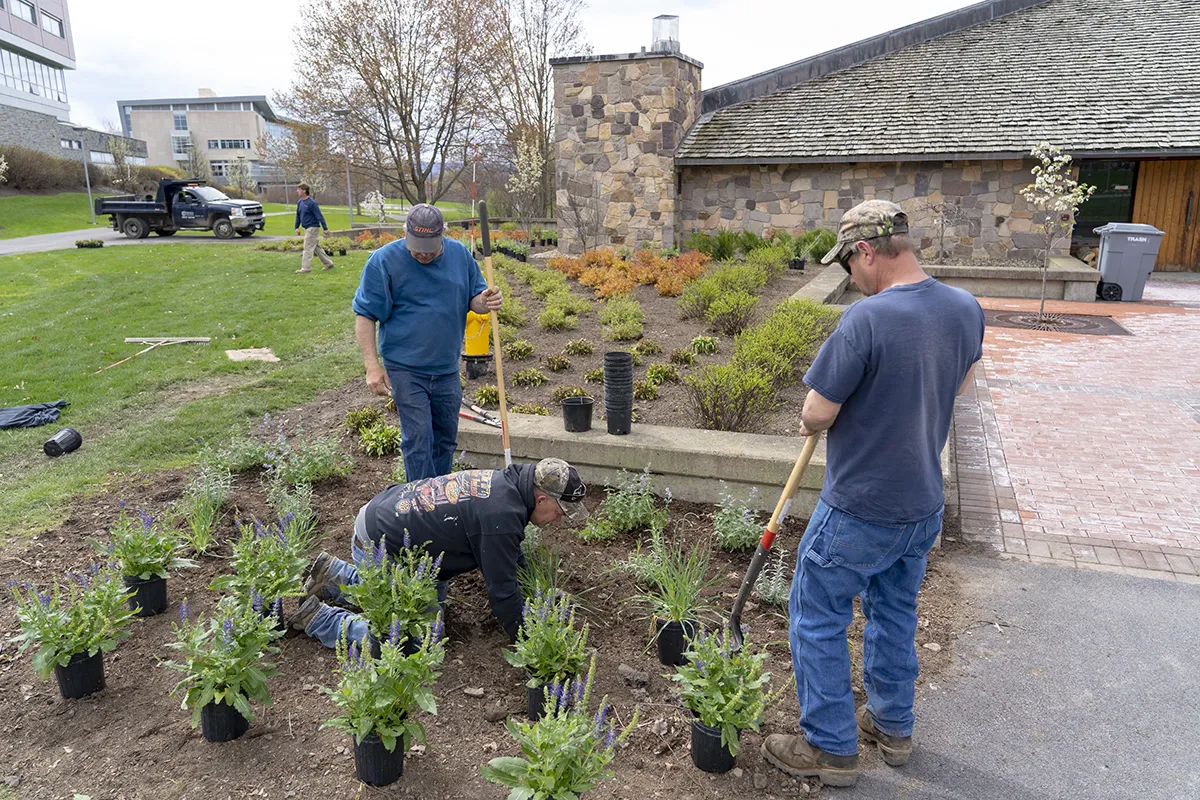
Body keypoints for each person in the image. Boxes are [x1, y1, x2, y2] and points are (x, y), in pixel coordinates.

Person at [761, 201, 985, 787]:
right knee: (894, 613)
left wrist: (819, 417)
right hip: (921, 509)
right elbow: (958, 382)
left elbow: (816, 413)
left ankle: (832, 748)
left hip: (861, 506)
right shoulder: (964, 308)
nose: (850, 278)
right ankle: (893, 728)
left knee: (815, 613)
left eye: (848, 265)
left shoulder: (865, 320)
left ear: (866, 252)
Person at [292, 457, 589, 647]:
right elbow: (502, 591)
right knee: (418, 640)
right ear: (540, 498)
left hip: (387, 521)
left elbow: (510, 558)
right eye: (561, 511)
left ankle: (334, 576)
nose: (560, 519)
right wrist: (528, 641)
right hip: (382, 546)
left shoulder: (507, 484)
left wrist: (536, 593)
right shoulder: (501, 516)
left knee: (424, 606)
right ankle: (321, 620)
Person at [352, 204, 502, 481]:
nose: (422, 253)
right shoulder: (383, 261)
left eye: (429, 248)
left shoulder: (459, 255)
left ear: (442, 236)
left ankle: (439, 495)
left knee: (445, 438)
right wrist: (371, 366)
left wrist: (486, 301)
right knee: (418, 438)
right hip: (405, 368)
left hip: (446, 367)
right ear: (404, 234)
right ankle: (422, 507)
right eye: (416, 246)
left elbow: (475, 299)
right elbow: (365, 315)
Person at [293, 183, 334, 274]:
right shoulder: (300, 202)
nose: (297, 191)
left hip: (313, 228)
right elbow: (298, 216)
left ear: (304, 191)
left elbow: (319, 216)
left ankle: (306, 268)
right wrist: (296, 227)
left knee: (307, 247)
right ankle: (329, 263)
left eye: (299, 189)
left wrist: (325, 228)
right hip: (306, 228)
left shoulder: (312, 203)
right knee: (316, 247)